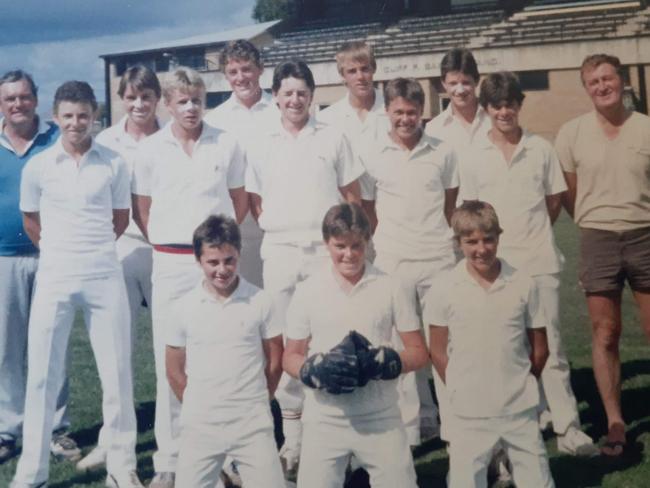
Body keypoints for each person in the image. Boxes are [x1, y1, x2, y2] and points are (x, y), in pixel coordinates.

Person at [11, 81, 141, 488]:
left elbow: (120, 219)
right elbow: (32, 222)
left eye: (83, 116)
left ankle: (123, 467)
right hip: (55, 275)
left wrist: (92, 251)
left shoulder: (115, 163)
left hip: (103, 273)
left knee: (117, 372)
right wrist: (61, 253)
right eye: (67, 116)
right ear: (55, 117)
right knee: (42, 376)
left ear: (94, 116)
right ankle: (32, 473)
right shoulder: (39, 167)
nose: (76, 123)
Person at [461, 71, 598, 456]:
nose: (504, 111)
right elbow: (471, 213)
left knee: (551, 348)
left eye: (510, 104)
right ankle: (525, 423)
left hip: (540, 262)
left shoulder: (540, 148)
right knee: (508, 350)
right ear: (486, 109)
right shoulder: (473, 155)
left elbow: (554, 201)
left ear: (520, 105)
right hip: (497, 269)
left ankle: (568, 427)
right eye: (496, 105)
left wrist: (532, 236)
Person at [132, 67, 248, 488]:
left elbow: (238, 201)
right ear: (167, 103)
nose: (190, 108)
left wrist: (212, 252)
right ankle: (170, 459)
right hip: (170, 263)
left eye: (196, 100)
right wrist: (173, 243)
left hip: (214, 265)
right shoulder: (149, 151)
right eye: (181, 101)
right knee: (172, 361)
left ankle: (228, 456)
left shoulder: (226, 142)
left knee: (219, 358)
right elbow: (142, 210)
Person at [246, 59, 363, 477]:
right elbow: (258, 203)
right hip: (279, 251)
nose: (295, 99)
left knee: (327, 339)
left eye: (302, 92)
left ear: (312, 96)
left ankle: (332, 438)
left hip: (321, 252)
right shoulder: (260, 142)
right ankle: (292, 440)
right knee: (283, 345)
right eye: (287, 92)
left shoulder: (332, 137)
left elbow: (352, 196)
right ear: (275, 95)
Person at [282, 203, 428, 488]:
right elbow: (291, 355)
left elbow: (419, 352)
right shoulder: (308, 290)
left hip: (380, 416)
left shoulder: (391, 286)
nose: (348, 254)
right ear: (326, 243)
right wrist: (314, 369)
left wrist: (389, 361)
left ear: (367, 242)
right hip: (324, 417)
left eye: (356, 246)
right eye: (340, 246)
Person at [555, 53, 650, 457]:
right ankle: (615, 422)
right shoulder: (571, 133)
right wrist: (599, 222)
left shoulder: (646, 128)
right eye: (593, 81)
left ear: (623, 82)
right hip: (597, 239)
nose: (602, 86)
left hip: (645, 235)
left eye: (608, 78)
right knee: (605, 333)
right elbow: (571, 196)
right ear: (586, 88)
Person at [426, 201, 555, 488]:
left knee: (537, 479)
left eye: (488, 240)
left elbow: (540, 348)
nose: (481, 249)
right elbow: (437, 350)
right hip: (469, 409)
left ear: (499, 237)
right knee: (464, 480)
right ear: (458, 242)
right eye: (471, 242)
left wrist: (519, 381)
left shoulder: (523, 283)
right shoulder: (444, 287)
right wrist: (461, 385)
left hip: (518, 405)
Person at [359, 77, 457, 445]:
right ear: (387, 111)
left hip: (437, 258)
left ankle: (454, 424)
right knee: (405, 347)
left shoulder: (443, 151)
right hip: (393, 260)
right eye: (398, 112)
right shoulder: (370, 153)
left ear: (422, 113)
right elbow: (369, 211)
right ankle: (415, 426)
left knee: (444, 346)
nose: (405, 119)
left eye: (412, 112)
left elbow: (449, 205)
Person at [77, 65, 162, 473]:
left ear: (157, 98)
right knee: (117, 352)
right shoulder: (106, 141)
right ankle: (111, 441)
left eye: (146, 96)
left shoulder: (171, 136)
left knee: (171, 351)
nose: (139, 104)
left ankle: (177, 442)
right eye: (131, 97)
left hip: (165, 252)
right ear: (121, 99)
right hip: (121, 250)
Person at [165, 214, 285, 488]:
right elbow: (174, 370)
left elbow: (275, 361)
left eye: (228, 260)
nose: (222, 269)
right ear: (198, 260)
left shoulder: (260, 301)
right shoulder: (183, 308)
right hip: (201, 425)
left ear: (239, 255)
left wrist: (257, 400)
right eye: (213, 262)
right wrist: (199, 405)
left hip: (252, 423)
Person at [0, 70, 78, 465]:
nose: (17, 104)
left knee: (52, 344)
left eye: (23, 97)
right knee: (6, 349)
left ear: (35, 99)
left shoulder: (55, 140)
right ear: (1, 104)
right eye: (9, 98)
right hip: (4, 260)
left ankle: (56, 429)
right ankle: (7, 430)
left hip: (52, 256)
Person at [204, 39, 279, 288]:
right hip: (233, 223)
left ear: (260, 69)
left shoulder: (280, 111)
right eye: (233, 72)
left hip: (273, 218)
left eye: (246, 69)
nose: (241, 77)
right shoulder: (215, 120)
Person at [424, 48, 490, 194]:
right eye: (453, 83)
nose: (460, 90)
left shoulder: (494, 121)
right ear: (443, 83)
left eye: (466, 82)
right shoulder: (433, 130)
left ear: (477, 81)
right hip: (455, 214)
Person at [316, 41, 389, 156]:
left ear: (373, 69)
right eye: (352, 71)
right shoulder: (327, 119)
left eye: (364, 69)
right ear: (342, 75)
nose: (360, 77)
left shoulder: (394, 110)